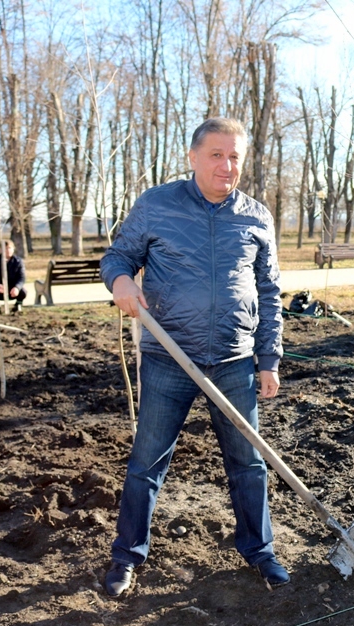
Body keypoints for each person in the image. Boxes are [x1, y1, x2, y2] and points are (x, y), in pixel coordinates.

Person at [99, 117, 288, 597]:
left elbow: (268, 291)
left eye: (234, 157)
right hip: (168, 356)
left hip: (234, 361)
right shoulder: (157, 205)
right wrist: (121, 281)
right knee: (147, 461)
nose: (227, 166)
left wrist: (268, 358)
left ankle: (260, 551)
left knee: (248, 462)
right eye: (216, 155)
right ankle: (127, 557)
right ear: (193, 157)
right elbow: (118, 257)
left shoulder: (256, 216)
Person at [0, 239, 26, 312]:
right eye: (5, 248)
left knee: (23, 292)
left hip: (13, 289)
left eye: (9, 248)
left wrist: (17, 287)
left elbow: (22, 278)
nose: (8, 250)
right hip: (0, 289)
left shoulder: (18, 261)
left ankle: (18, 305)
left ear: (13, 249)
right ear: (0, 250)